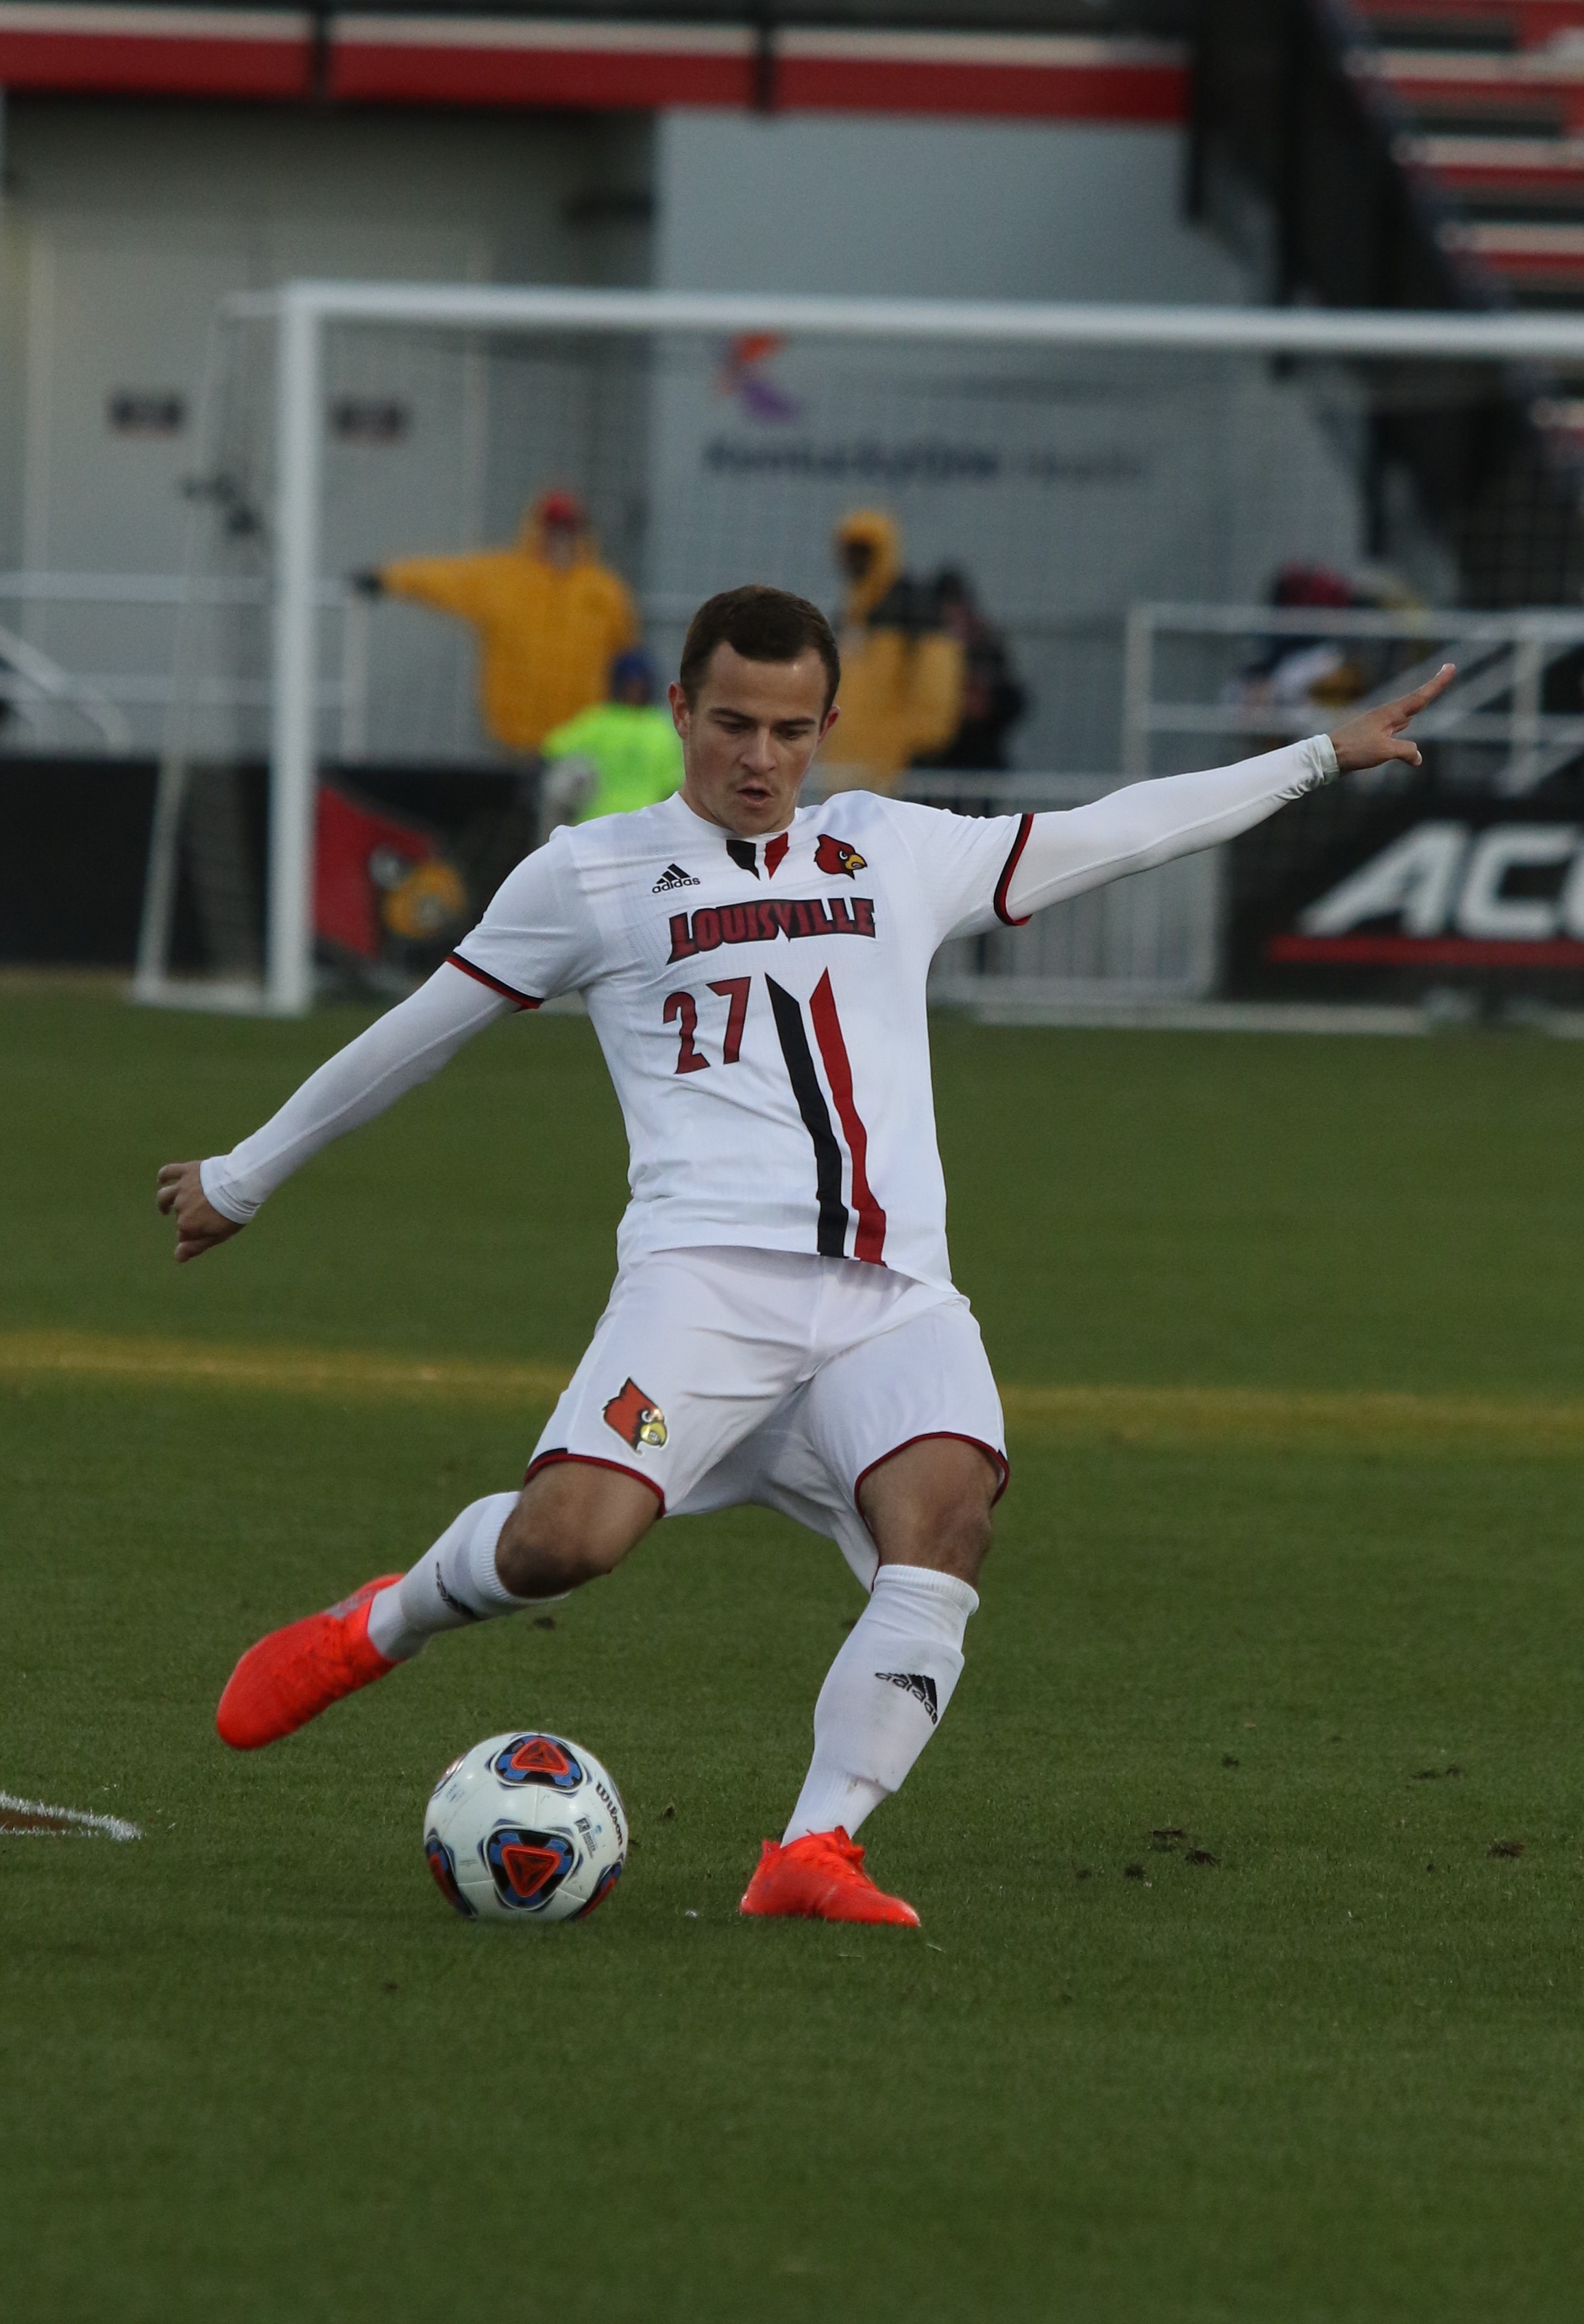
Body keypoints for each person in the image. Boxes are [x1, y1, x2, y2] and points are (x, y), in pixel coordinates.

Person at [157, 588, 1452, 1930]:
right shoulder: (589, 874)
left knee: (947, 1522)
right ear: (680, 713)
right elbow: (415, 1034)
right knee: (564, 1546)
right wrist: (241, 1178)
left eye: (787, 729)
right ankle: (385, 1621)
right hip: (702, 1294)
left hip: (892, 1300)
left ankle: (813, 1848)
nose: (758, 756)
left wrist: (1316, 754)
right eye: (730, 723)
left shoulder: (887, 848)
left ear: (827, 725)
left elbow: (1111, 832)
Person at [355, 490, 637, 755]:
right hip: (515, 743)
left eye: (567, 529)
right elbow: (445, 579)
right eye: (552, 528)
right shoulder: (504, 579)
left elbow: (628, 658)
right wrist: (387, 578)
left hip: (584, 744)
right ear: (538, 530)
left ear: (581, 534)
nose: (559, 538)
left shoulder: (605, 591)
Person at [816, 511, 964, 786]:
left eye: (863, 550)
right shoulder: (851, 614)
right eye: (849, 550)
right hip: (844, 759)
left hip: (893, 766)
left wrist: (920, 746)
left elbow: (935, 684)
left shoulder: (914, 612)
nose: (853, 559)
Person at [539, 649, 685, 833]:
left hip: (607, 826)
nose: (635, 691)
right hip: (635, 826)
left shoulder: (599, 721)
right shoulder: (661, 727)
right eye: (631, 685)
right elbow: (673, 783)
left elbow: (551, 749)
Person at [923, 568, 1027, 774]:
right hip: (934, 764)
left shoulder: (987, 648)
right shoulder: (923, 650)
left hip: (978, 765)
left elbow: (1015, 702)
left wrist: (988, 704)